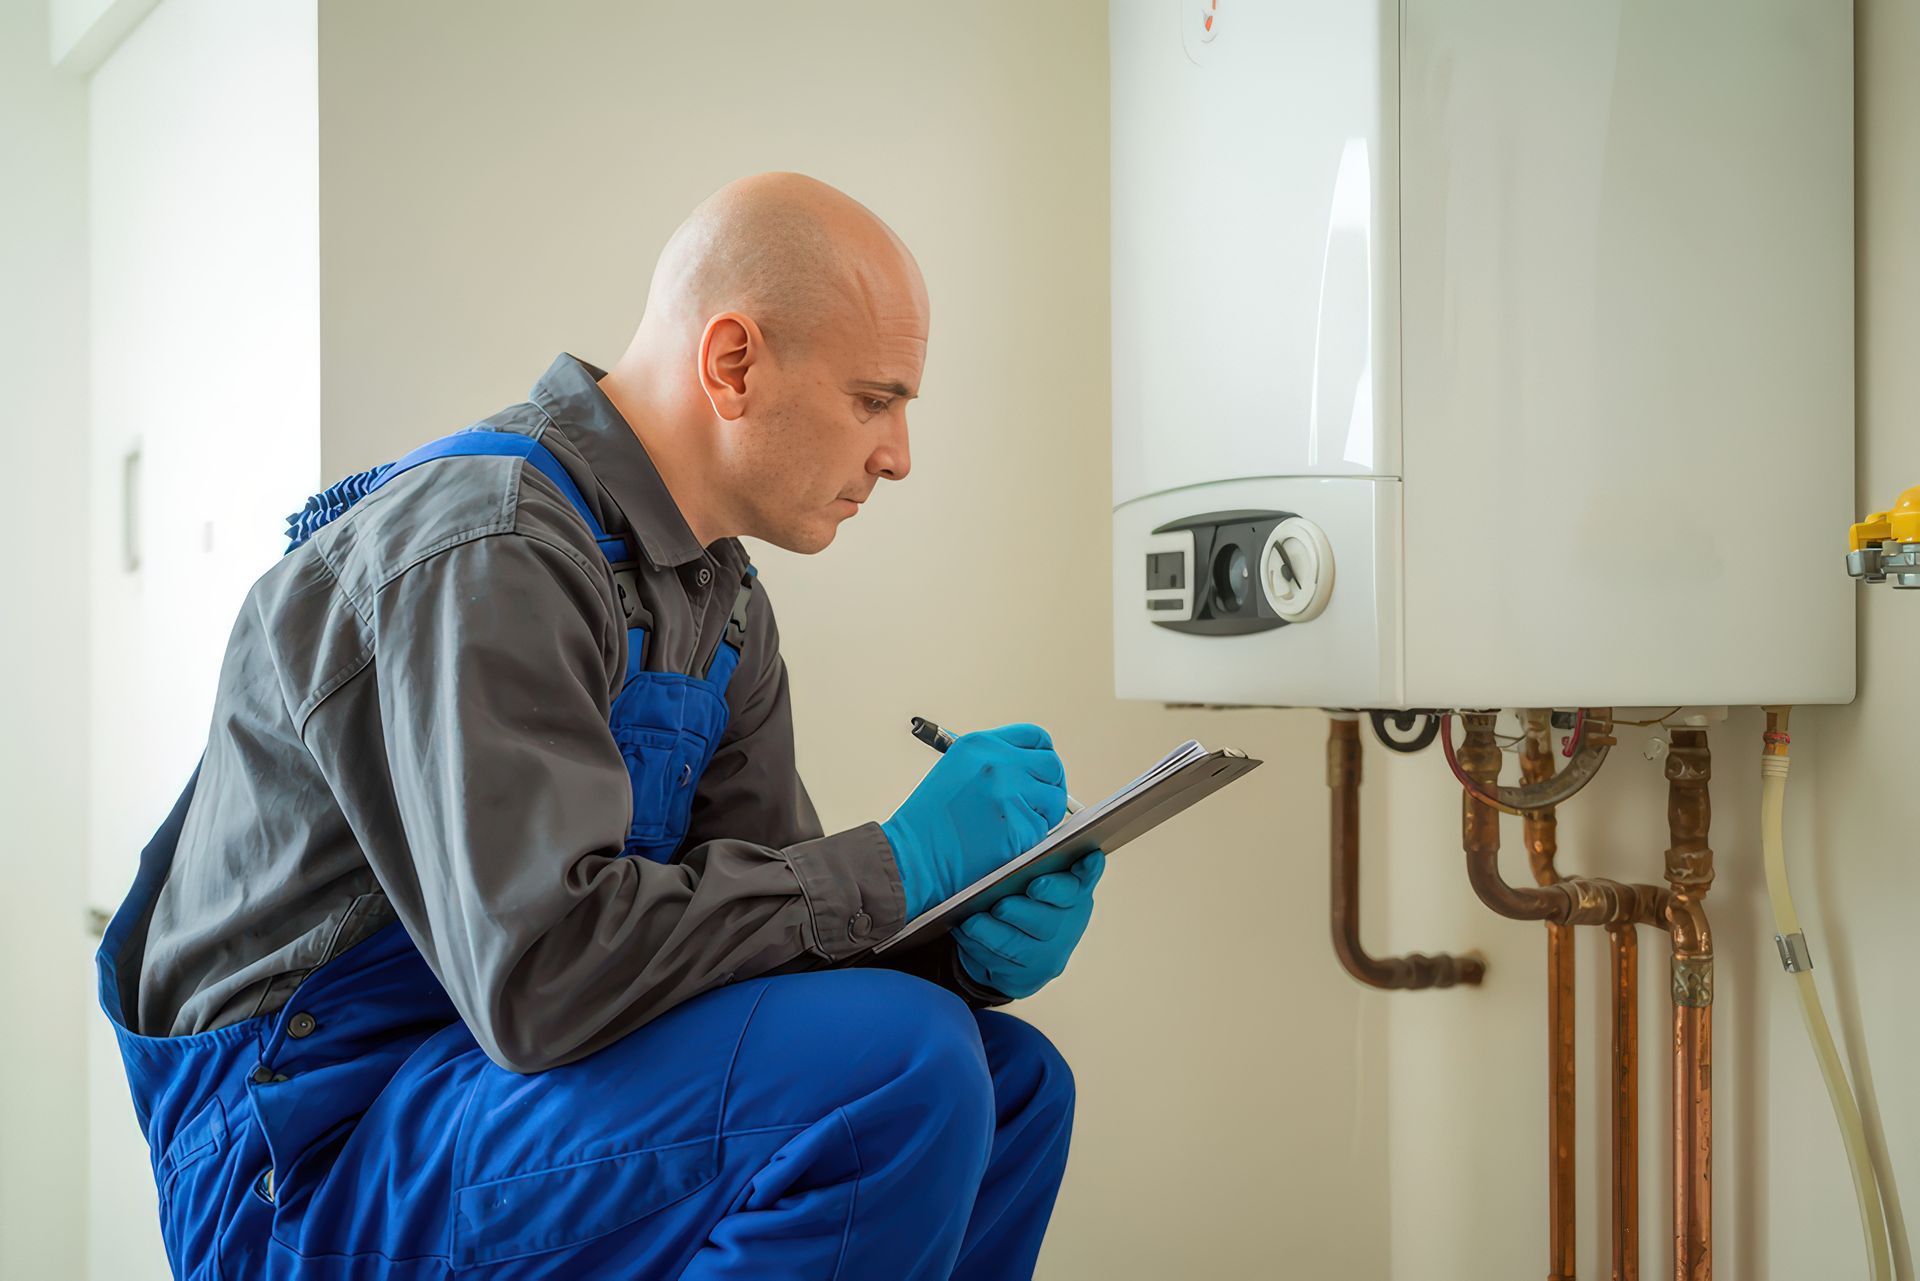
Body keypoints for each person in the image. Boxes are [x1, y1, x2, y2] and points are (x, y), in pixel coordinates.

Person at [95, 172, 1106, 1279]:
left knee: (1011, 1086)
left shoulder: (721, 605)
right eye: (876, 400)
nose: (899, 454)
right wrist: (896, 862)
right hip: (310, 1145)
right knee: (897, 1073)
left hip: (487, 1089)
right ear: (733, 364)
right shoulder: (489, 548)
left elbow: (772, 956)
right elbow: (538, 977)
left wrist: (954, 943)